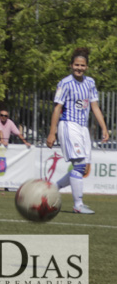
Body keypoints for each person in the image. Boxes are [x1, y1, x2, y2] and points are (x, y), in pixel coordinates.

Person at [47, 47, 111, 214]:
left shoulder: (90, 83)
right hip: (69, 125)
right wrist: (52, 132)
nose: (79, 68)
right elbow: (57, 108)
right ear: (71, 65)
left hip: (83, 128)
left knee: (82, 167)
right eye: (76, 65)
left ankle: (53, 187)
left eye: (82, 66)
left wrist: (104, 127)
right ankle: (78, 204)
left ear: (86, 67)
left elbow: (95, 107)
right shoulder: (65, 83)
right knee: (79, 165)